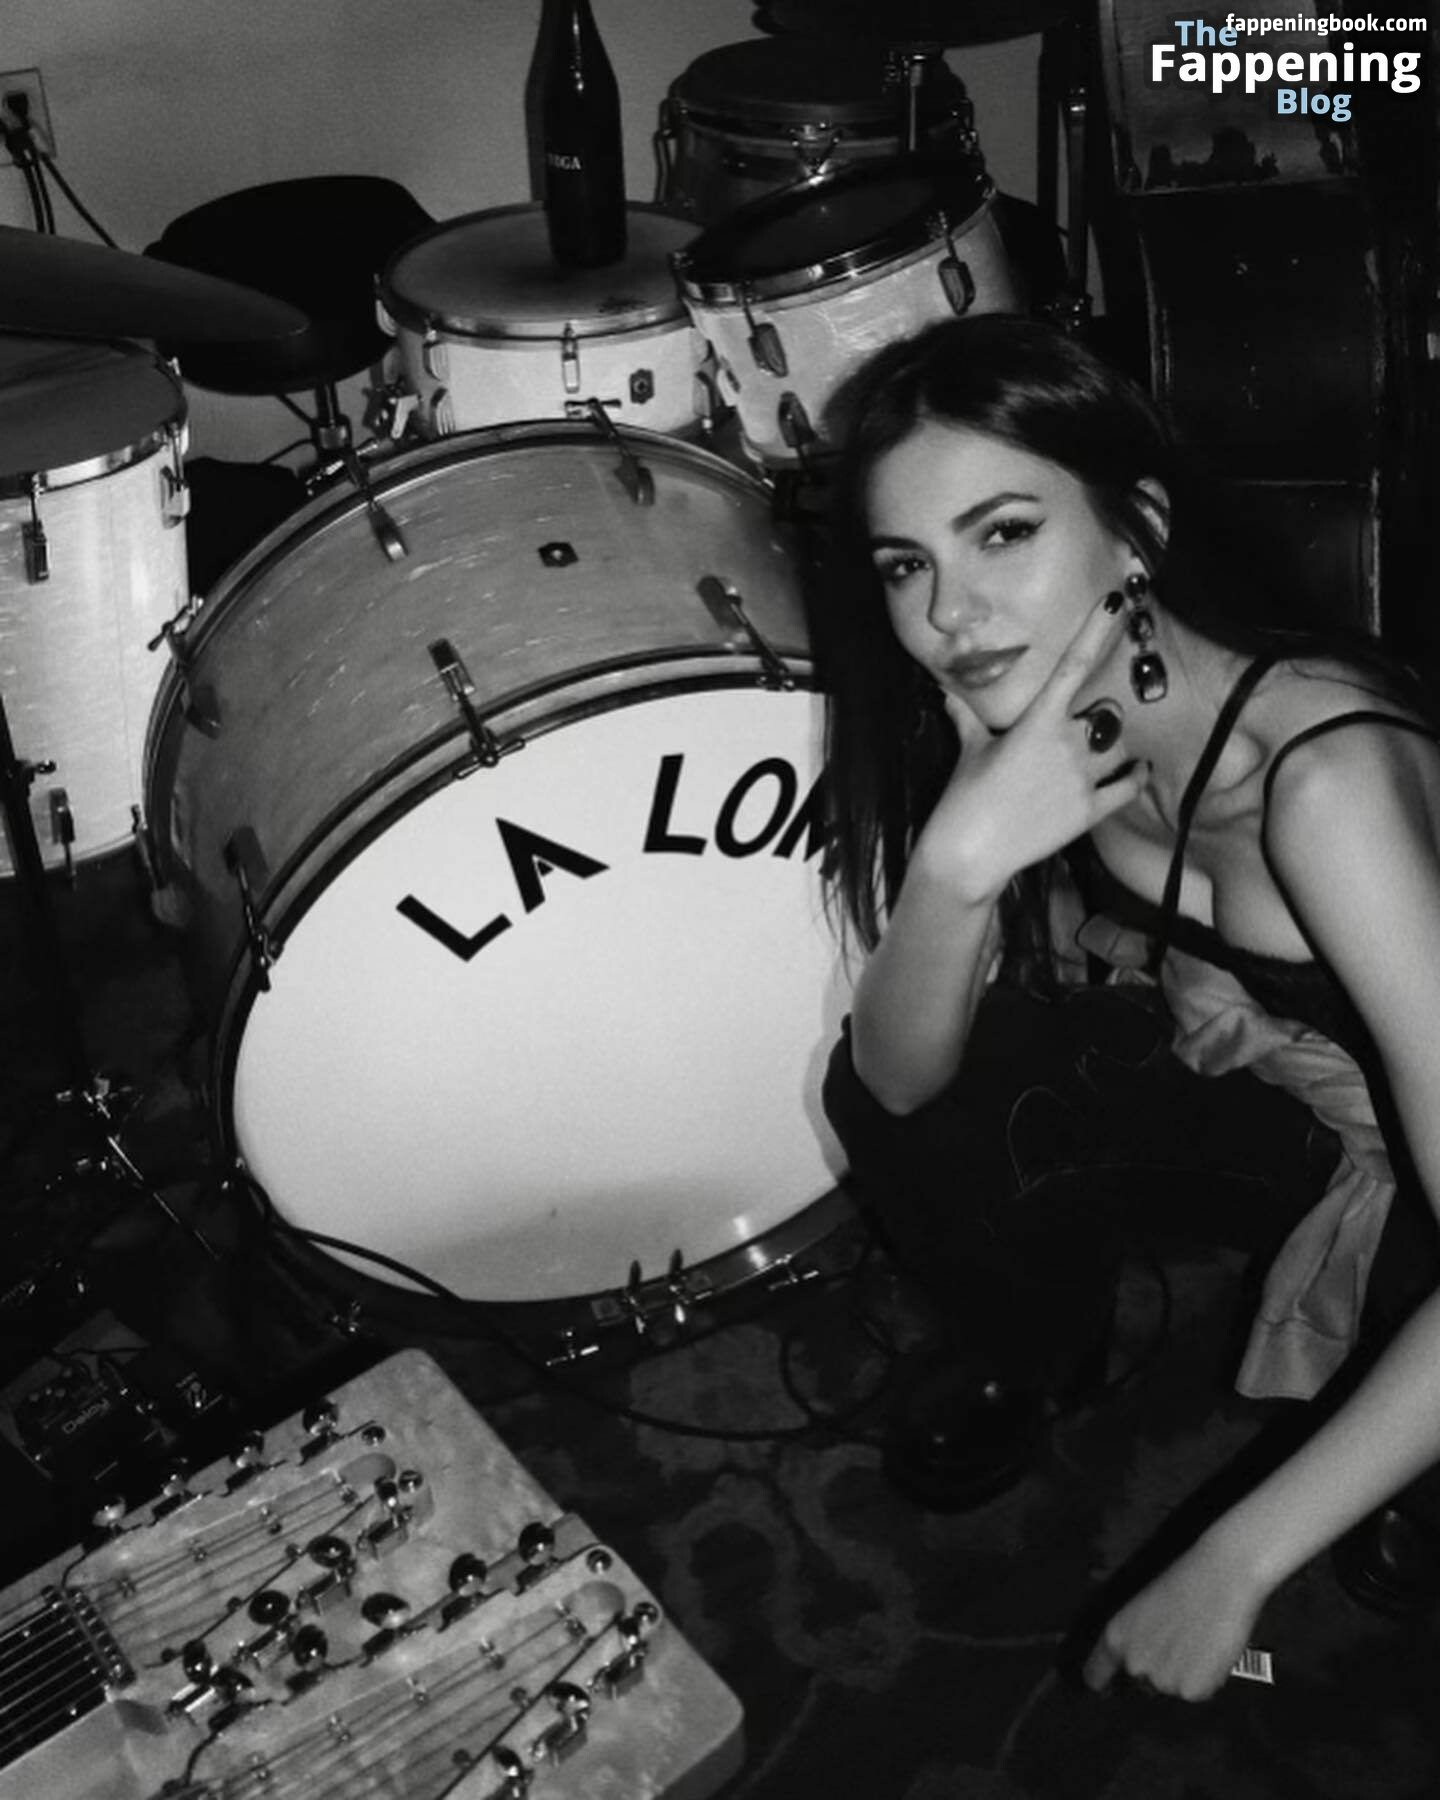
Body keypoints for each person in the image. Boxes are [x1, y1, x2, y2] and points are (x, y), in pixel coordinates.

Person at [813, 312, 1440, 1702]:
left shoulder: (1326, 784)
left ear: (1137, 530)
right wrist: (955, 869)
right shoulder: (1052, 713)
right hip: (1313, 1099)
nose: (949, 615)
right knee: (919, 1096)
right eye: (907, 565)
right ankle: (1042, 1350)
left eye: (1002, 534)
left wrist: (1234, 1558)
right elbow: (898, 1085)